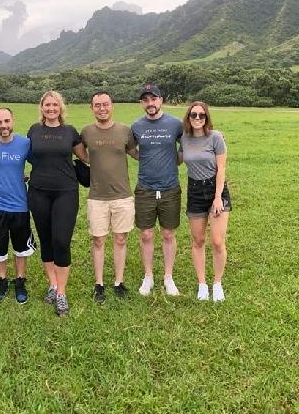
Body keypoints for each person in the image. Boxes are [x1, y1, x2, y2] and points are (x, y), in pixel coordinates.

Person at [75, 91, 138, 302]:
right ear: (91, 108)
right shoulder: (86, 132)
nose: (102, 108)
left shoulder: (125, 131)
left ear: (112, 106)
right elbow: (81, 154)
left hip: (122, 195)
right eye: (97, 105)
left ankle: (119, 282)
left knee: (120, 239)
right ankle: (99, 283)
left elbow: (135, 152)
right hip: (97, 197)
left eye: (105, 104)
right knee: (98, 240)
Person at [27, 91, 84, 316]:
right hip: (38, 191)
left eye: (55, 105)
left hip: (66, 192)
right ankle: (52, 284)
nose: (51, 108)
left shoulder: (70, 132)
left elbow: (85, 157)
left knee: (61, 240)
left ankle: (61, 292)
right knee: (46, 239)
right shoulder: (34, 130)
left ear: (61, 107)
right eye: (47, 105)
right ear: (42, 108)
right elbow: (27, 155)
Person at [131, 83, 184, 297]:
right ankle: (149, 276)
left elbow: (190, 142)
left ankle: (168, 277)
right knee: (146, 234)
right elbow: (129, 148)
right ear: (142, 103)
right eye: (145, 100)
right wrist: (140, 157)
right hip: (145, 188)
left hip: (170, 187)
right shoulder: (136, 126)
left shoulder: (175, 124)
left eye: (153, 99)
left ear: (160, 100)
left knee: (169, 233)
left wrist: (176, 160)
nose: (150, 103)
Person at [0, 107, 34, 304]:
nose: (3, 125)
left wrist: (29, 176)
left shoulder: (25, 143)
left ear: (13, 120)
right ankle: (2, 280)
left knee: (21, 247)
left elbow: (41, 161)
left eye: (6, 121)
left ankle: (20, 281)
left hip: (20, 205)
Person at [182, 102, 231, 302]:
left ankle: (217, 283)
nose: (197, 118)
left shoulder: (216, 138)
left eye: (201, 115)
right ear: (188, 117)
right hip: (194, 190)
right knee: (198, 240)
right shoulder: (184, 138)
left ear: (207, 117)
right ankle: (202, 283)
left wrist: (218, 196)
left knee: (218, 242)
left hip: (215, 189)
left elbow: (221, 168)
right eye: (193, 115)